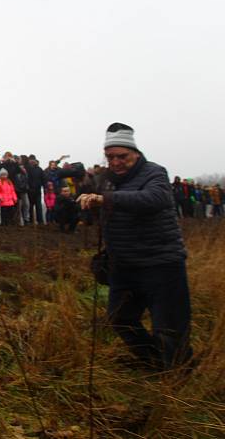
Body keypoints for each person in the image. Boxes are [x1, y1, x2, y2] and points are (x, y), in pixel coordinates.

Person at [78, 123, 192, 371]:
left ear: (136, 153)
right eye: (110, 157)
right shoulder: (105, 180)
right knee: (121, 318)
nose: (116, 162)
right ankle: (154, 362)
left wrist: (106, 200)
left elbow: (155, 199)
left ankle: (178, 375)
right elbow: (104, 210)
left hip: (161, 262)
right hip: (124, 265)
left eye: (122, 156)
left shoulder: (154, 173)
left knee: (169, 327)